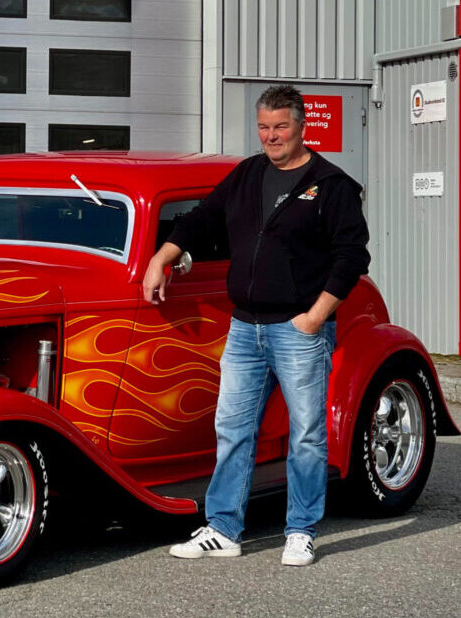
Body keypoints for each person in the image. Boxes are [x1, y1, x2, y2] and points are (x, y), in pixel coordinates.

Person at [142, 84, 369, 566]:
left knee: (306, 433)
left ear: (302, 124)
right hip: (245, 328)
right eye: (264, 127)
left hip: (297, 330)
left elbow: (352, 257)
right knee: (232, 429)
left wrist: (314, 317)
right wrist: (164, 255)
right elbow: (201, 219)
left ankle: (300, 531)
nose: (271, 136)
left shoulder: (331, 185)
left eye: (281, 126)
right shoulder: (247, 174)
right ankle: (224, 529)